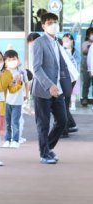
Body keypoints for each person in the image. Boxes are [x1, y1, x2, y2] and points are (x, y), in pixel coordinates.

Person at [32, 12, 71, 164]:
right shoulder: (39, 42)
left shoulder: (57, 42)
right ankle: (44, 154)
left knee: (62, 120)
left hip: (58, 90)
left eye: (55, 21)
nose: (53, 24)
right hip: (43, 90)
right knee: (43, 124)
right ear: (43, 25)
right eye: (49, 22)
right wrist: (49, 85)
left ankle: (47, 148)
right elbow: (36, 68)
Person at [2, 50, 29, 148]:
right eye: (9, 59)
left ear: (18, 60)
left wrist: (27, 94)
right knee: (7, 122)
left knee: (15, 122)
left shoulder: (22, 71)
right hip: (6, 101)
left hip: (17, 101)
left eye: (14, 59)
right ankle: (7, 139)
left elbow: (27, 83)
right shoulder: (4, 72)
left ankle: (15, 140)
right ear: (5, 61)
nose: (12, 61)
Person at [61, 33, 79, 136]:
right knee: (64, 104)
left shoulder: (67, 53)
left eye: (67, 40)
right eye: (64, 41)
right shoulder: (64, 51)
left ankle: (65, 129)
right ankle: (70, 125)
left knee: (63, 105)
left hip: (69, 80)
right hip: (69, 79)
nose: (65, 43)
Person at [81, 27, 93, 106]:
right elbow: (84, 51)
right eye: (91, 34)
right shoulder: (85, 43)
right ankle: (84, 98)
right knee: (86, 83)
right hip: (86, 65)